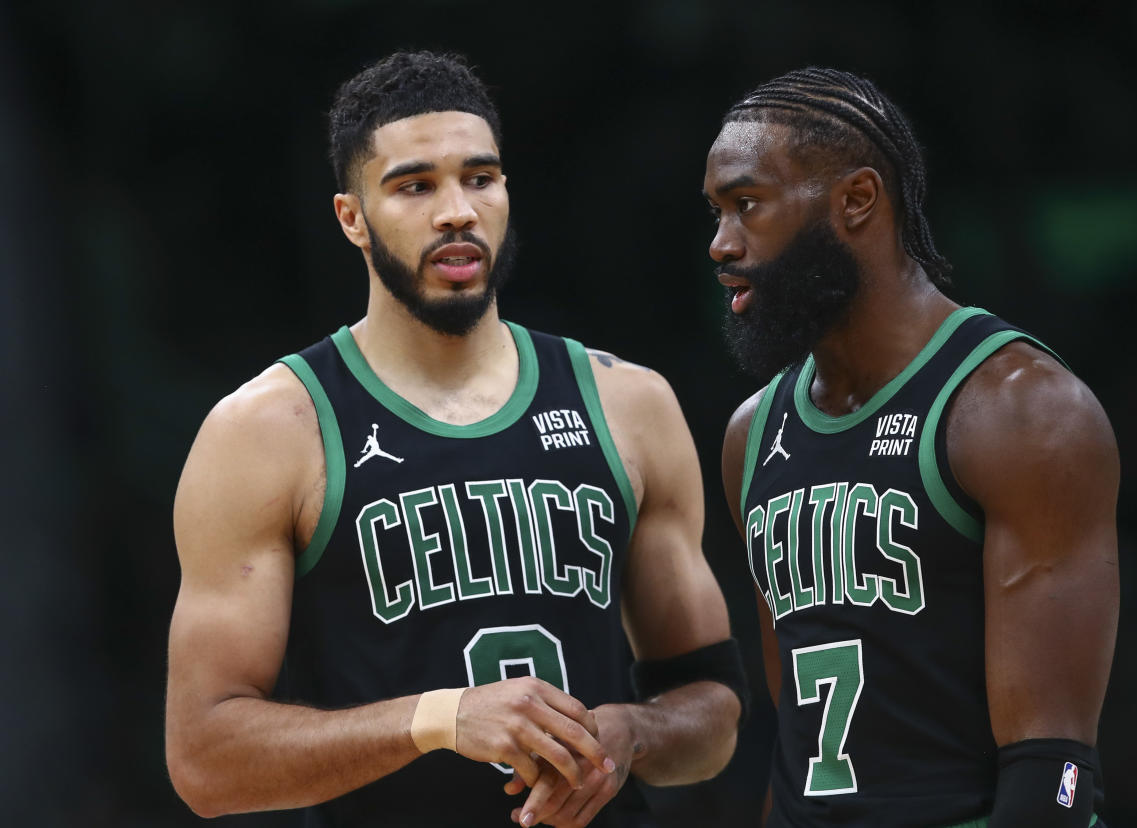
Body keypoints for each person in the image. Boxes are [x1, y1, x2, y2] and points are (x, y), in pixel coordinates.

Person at [165, 50, 746, 828]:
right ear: (351, 218)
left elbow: (714, 717)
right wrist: (438, 718)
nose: (457, 212)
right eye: (414, 186)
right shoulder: (270, 430)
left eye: (480, 178)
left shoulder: (629, 403)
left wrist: (636, 733)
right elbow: (204, 761)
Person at [704, 67, 1119, 828]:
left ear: (857, 200)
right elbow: (798, 750)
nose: (721, 244)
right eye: (717, 213)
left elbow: (1052, 771)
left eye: (747, 206)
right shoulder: (752, 436)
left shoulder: (1022, 410)